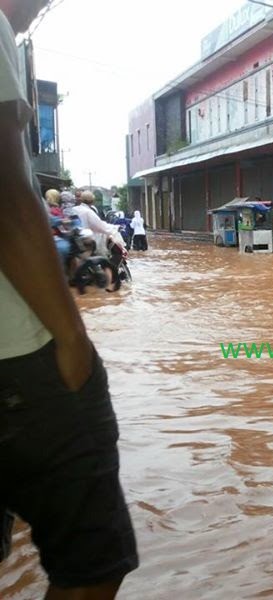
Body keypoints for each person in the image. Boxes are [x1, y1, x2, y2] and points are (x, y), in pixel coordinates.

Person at [0, 1, 138, 598]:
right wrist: (73, 339)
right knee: (93, 563)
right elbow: (8, 199)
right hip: (20, 353)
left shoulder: (85, 218)